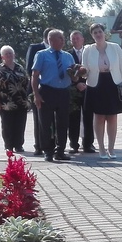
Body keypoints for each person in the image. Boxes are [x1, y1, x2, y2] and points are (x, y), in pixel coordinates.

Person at [82, 23, 122, 159]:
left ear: (104, 33)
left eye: (100, 32)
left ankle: (111, 149)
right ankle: (102, 149)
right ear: (92, 36)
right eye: (95, 33)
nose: (98, 35)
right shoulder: (87, 50)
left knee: (112, 117)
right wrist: (80, 72)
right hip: (95, 85)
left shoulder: (115, 47)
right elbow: (85, 71)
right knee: (98, 117)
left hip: (113, 83)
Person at [31, 29, 75, 162]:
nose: (63, 41)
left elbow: (74, 74)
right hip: (47, 91)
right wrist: (36, 95)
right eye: (59, 38)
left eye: (63, 38)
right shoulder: (41, 54)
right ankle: (48, 151)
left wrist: (77, 73)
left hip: (63, 92)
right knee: (46, 123)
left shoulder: (68, 56)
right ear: (51, 40)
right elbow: (34, 75)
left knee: (63, 123)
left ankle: (60, 150)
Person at [0, 45, 32, 152]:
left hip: (21, 101)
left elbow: (27, 83)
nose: (9, 55)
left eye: (10, 53)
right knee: (7, 125)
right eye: (6, 54)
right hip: (6, 103)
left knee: (20, 124)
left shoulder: (20, 68)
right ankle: (8, 145)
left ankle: (19, 145)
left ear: (14, 55)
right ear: (2, 57)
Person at [67, 30, 95, 154]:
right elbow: (67, 72)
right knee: (73, 118)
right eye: (73, 39)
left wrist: (87, 83)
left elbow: (94, 70)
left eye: (78, 38)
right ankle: (74, 144)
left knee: (89, 117)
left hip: (89, 89)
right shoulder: (67, 55)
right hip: (74, 91)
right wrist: (76, 83)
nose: (76, 40)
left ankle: (88, 144)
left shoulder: (90, 53)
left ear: (83, 39)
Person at [25, 29, 53, 156]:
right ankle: (39, 145)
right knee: (39, 119)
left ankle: (52, 144)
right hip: (39, 88)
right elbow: (29, 69)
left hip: (54, 89)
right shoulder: (35, 48)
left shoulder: (58, 50)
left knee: (53, 120)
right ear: (46, 37)